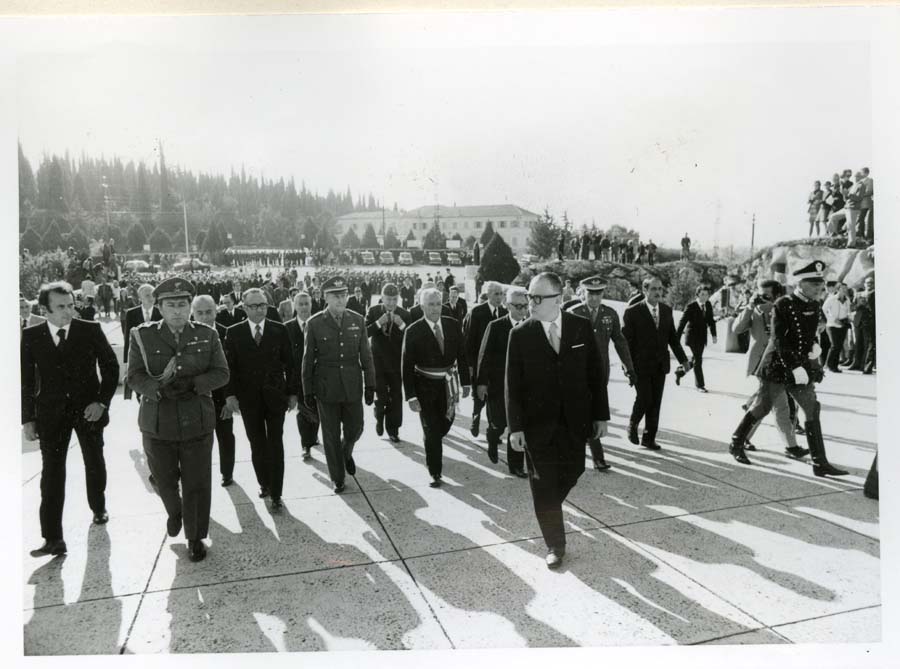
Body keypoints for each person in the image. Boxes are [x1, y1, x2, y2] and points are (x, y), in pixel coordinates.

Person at [506, 272, 608, 569]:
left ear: (559, 299)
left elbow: (595, 375)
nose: (531, 303)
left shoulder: (580, 328)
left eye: (537, 298)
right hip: (537, 427)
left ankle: (550, 507)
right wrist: (516, 428)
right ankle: (555, 543)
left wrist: (601, 415)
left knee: (573, 471)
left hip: (575, 423)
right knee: (542, 484)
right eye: (529, 296)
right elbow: (512, 385)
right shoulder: (521, 334)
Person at [127, 278, 229, 562]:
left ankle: (195, 537)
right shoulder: (142, 336)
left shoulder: (208, 335)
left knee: (197, 482)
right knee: (163, 479)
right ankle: (175, 511)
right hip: (158, 421)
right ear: (158, 307)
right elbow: (133, 375)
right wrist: (156, 388)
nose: (177, 311)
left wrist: (194, 384)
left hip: (196, 419)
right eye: (170, 305)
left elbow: (222, 373)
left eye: (182, 304)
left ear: (189, 306)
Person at [21, 281, 119, 557]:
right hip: (50, 414)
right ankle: (53, 537)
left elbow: (111, 367)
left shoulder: (89, 330)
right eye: (61, 307)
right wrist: (28, 419)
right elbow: (26, 381)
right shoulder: (31, 336)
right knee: (51, 472)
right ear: (45, 310)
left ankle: (98, 506)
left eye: (70, 306)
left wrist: (101, 402)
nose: (68, 312)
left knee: (94, 461)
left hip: (88, 411)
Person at [728, 261, 848, 476]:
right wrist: (794, 367)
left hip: (799, 366)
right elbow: (779, 340)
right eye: (814, 284)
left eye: (821, 283)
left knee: (812, 409)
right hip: (777, 365)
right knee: (762, 407)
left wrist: (814, 350)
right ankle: (736, 442)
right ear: (800, 284)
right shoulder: (784, 304)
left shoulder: (814, 304)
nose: (819, 288)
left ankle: (820, 463)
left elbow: (808, 335)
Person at [223, 288, 299, 509]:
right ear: (244, 308)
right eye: (254, 306)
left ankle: (276, 492)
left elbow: (291, 365)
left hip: (276, 397)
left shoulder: (279, 330)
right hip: (248, 400)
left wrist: (293, 393)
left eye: (263, 305)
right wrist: (230, 395)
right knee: (257, 443)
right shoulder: (234, 332)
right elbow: (230, 368)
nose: (259, 310)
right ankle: (263, 483)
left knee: (275, 443)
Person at [302, 276, 376, 493]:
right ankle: (337, 477)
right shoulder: (314, 323)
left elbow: (367, 356)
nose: (341, 299)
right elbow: (307, 360)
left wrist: (370, 384)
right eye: (336, 296)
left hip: (352, 384)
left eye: (344, 295)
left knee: (356, 427)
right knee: (330, 434)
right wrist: (307, 391)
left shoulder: (357, 320)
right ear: (325, 297)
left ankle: (346, 451)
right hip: (326, 387)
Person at [732, 280, 808, 459]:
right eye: (760, 293)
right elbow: (737, 329)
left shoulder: (782, 308)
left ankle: (745, 438)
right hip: (761, 363)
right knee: (776, 405)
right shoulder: (754, 310)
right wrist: (750, 306)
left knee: (769, 404)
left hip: (778, 362)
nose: (761, 297)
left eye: (766, 294)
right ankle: (790, 446)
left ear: (776, 295)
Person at [402, 287, 470, 486]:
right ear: (422, 306)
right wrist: (411, 396)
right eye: (430, 304)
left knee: (445, 423)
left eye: (438, 304)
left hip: (448, 385)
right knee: (432, 430)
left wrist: (466, 382)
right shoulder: (413, 331)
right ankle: (435, 472)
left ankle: (432, 442)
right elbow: (405, 366)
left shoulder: (452, 324)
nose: (435, 308)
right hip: (425, 386)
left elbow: (462, 355)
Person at [565, 275, 635, 470]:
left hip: (601, 373)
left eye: (598, 294)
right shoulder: (572, 313)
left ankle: (594, 455)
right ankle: (597, 456)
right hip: (577, 373)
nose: (594, 298)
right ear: (582, 293)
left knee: (595, 411)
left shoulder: (610, 314)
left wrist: (629, 368)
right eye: (590, 293)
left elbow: (620, 341)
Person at [622, 277, 691, 450]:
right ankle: (632, 425)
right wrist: (627, 367)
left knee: (656, 402)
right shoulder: (632, 312)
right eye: (653, 289)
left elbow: (673, 339)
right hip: (640, 365)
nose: (658, 293)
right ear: (645, 290)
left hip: (660, 364)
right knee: (645, 398)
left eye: (660, 289)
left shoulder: (667, 311)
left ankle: (649, 438)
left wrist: (684, 360)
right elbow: (626, 343)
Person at [476, 286, 529, 476]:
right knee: (498, 424)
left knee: (518, 426)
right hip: (499, 386)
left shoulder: (531, 326)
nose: (523, 310)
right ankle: (492, 437)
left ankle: (516, 466)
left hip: (522, 388)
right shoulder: (496, 326)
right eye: (518, 306)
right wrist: (481, 383)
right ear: (507, 305)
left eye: (525, 306)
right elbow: (484, 356)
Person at [190, 294, 237, 486]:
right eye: (199, 313)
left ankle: (227, 473)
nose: (205, 317)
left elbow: (234, 368)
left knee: (225, 437)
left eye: (209, 312)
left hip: (222, 398)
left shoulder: (229, 333)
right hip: (197, 400)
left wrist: (230, 398)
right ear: (192, 314)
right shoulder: (187, 335)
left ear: (216, 312)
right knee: (199, 443)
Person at [365, 283, 410, 443]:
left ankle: (394, 429)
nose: (391, 303)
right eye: (388, 299)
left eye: (394, 299)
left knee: (396, 396)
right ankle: (379, 417)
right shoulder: (374, 311)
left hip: (397, 362)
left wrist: (401, 324)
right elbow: (364, 333)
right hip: (378, 361)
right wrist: (378, 323)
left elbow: (411, 337)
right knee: (381, 396)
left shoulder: (404, 313)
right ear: (382, 298)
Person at [464, 281, 507, 437]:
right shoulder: (477, 312)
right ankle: (475, 418)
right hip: (479, 363)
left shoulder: (504, 313)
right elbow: (468, 341)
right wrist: (469, 365)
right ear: (488, 295)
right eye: (496, 294)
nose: (499, 297)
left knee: (495, 399)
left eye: (501, 294)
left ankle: (492, 428)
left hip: (498, 366)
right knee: (479, 396)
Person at [285, 291, 320, 459]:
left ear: (311, 305)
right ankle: (306, 445)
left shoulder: (320, 324)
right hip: (297, 379)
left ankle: (313, 436)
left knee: (318, 412)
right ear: (295, 306)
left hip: (319, 378)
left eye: (307, 303)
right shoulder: (287, 328)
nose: (304, 307)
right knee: (304, 412)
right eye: (300, 304)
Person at [676, 285, 718, 392]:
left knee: (696, 359)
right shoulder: (691, 306)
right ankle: (700, 385)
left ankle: (681, 371)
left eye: (707, 294)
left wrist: (714, 335)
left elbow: (711, 321)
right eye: (702, 294)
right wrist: (676, 337)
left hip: (702, 338)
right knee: (698, 360)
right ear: (697, 294)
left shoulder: (708, 305)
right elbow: (682, 322)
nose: (705, 297)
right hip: (692, 338)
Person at [822, 282, 851, 373]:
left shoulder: (847, 300)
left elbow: (848, 311)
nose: (844, 290)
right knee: (834, 345)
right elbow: (824, 309)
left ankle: (834, 366)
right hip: (832, 325)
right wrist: (832, 319)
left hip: (843, 325)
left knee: (839, 346)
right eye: (842, 288)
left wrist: (848, 318)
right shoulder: (831, 299)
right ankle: (829, 365)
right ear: (838, 289)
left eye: (845, 288)